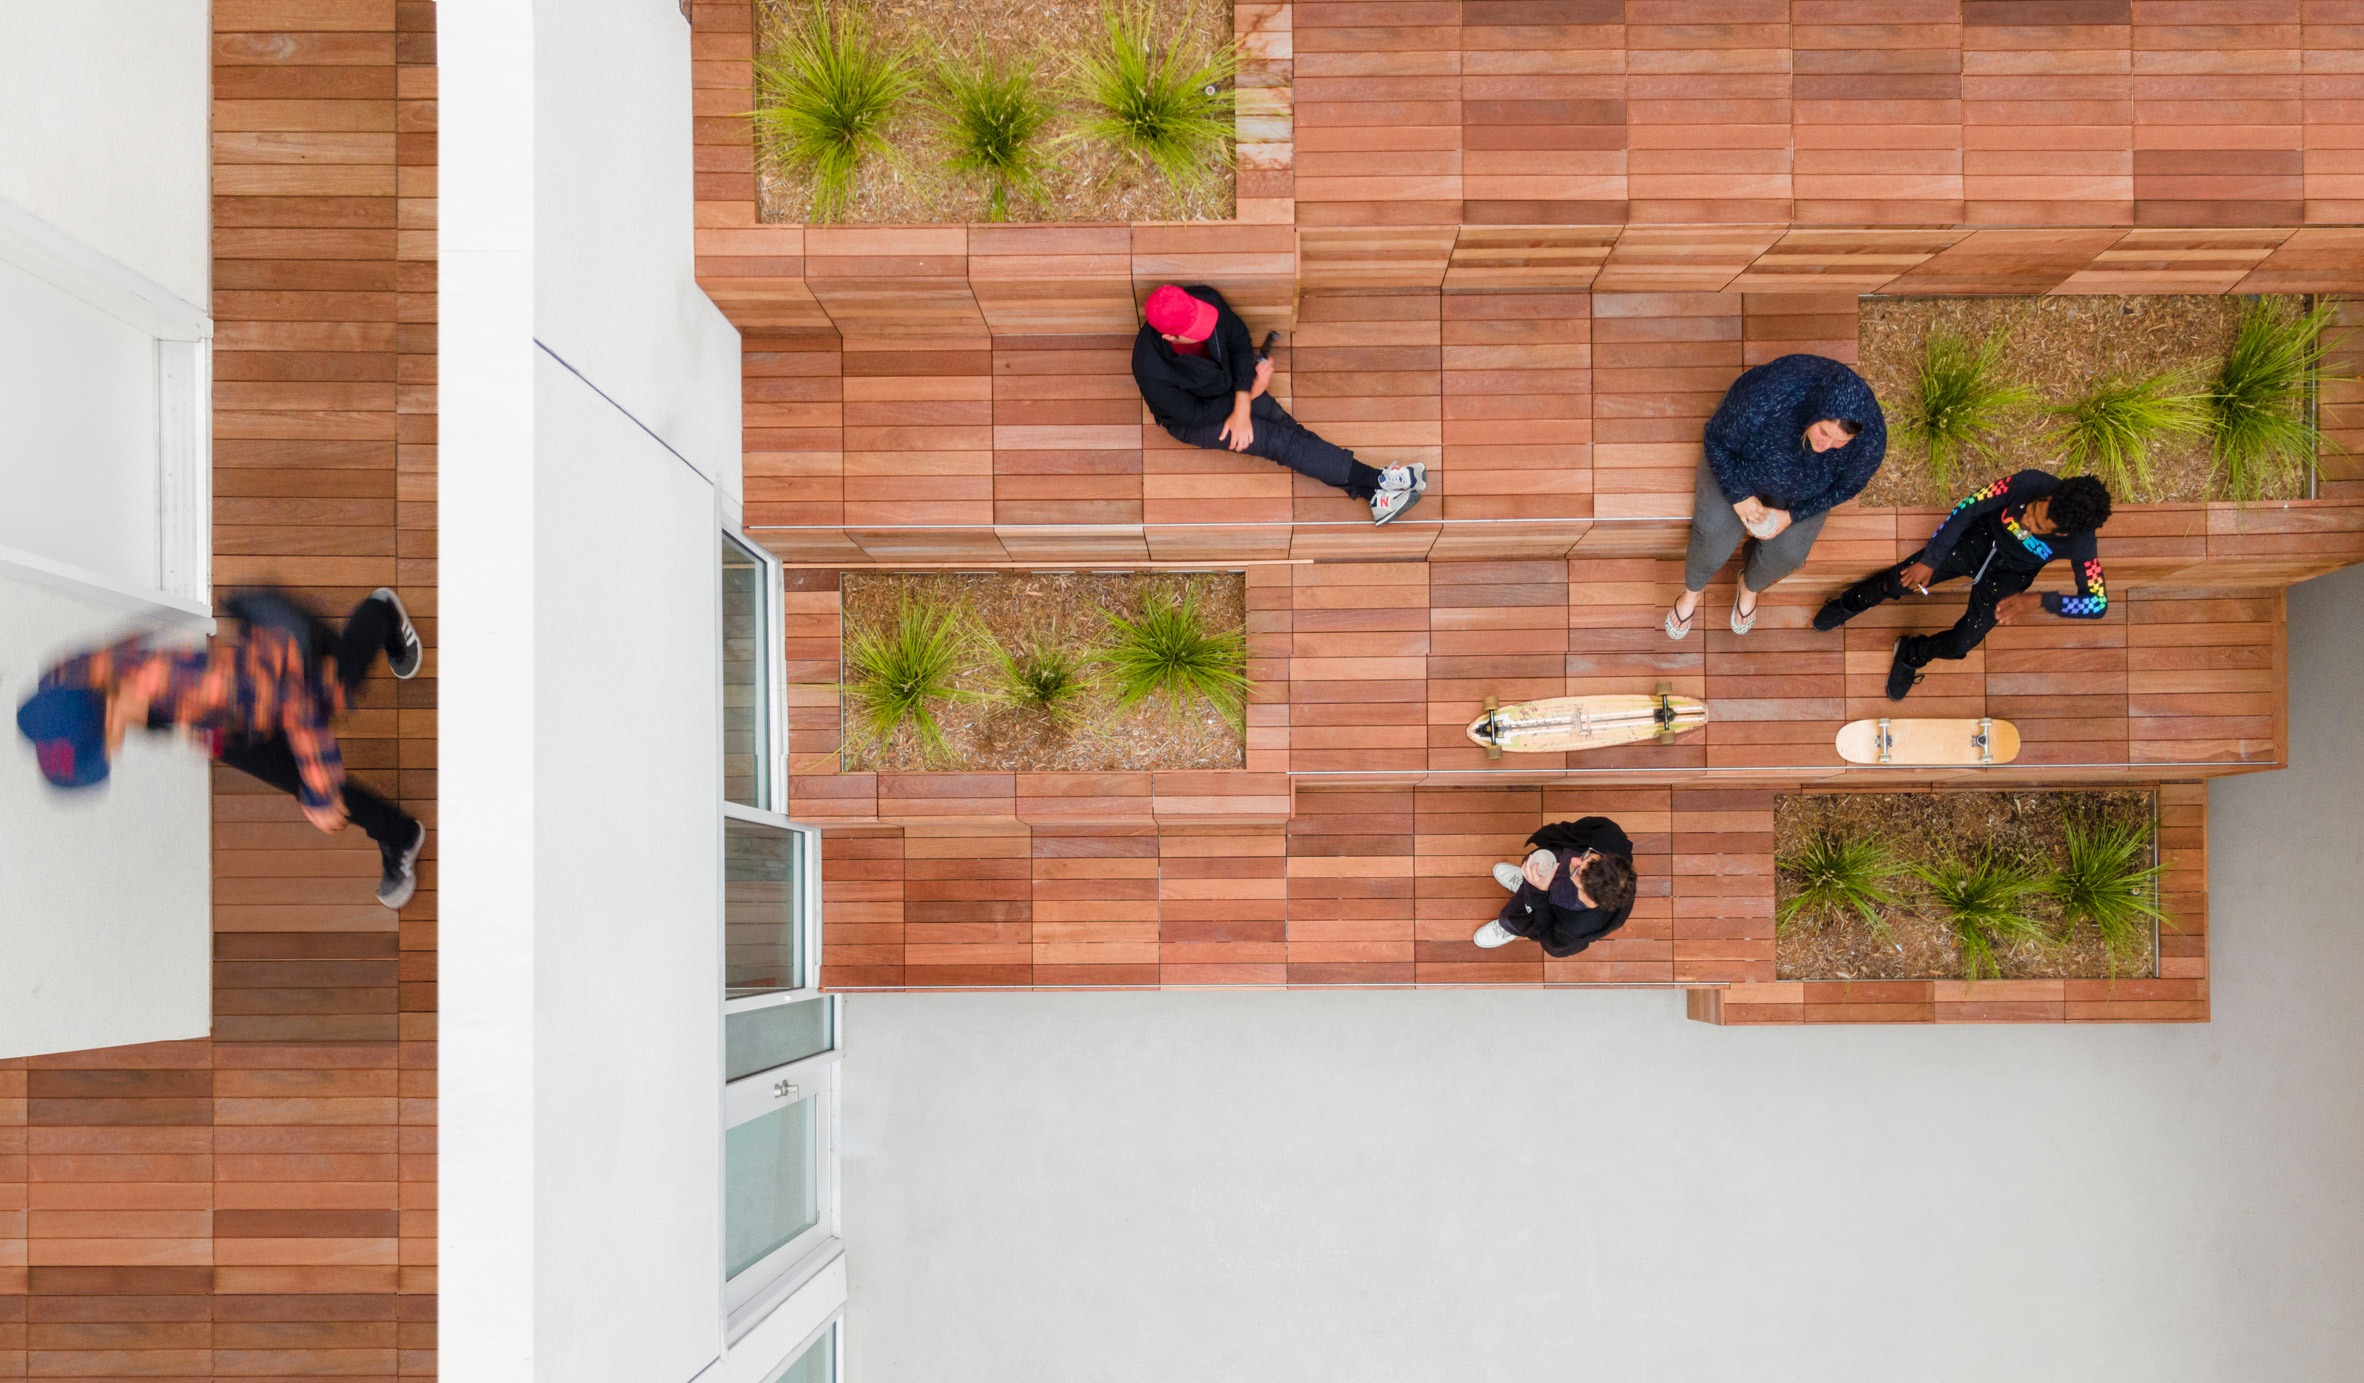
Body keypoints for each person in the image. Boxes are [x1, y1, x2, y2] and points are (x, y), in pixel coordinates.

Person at [15, 587, 430, 908]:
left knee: (338, 688)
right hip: (214, 715)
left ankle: (380, 612)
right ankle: (400, 834)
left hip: (270, 679)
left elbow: (300, 705)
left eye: (99, 748)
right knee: (298, 781)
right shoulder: (63, 679)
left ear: (108, 712)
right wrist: (191, 726)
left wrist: (321, 791)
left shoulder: (193, 684)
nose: (108, 756)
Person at [1131, 282, 1428, 526]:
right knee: (1280, 443)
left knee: (1292, 436)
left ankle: (1374, 495)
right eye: (1197, 330)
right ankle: (1377, 479)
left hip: (1235, 387)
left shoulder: (1204, 299)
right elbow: (1190, 415)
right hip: (1198, 420)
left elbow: (1237, 340)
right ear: (1169, 336)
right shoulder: (1149, 367)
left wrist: (1244, 395)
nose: (1207, 329)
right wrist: (1246, 398)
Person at [1812, 470, 2113, 702]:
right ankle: (1848, 603)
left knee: (1961, 645)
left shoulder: (2081, 544)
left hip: (2010, 576)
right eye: (2032, 510)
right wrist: (1931, 559)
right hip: (1977, 540)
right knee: (1899, 580)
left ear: (2063, 534)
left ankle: (1912, 653)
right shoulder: (2029, 482)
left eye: (2037, 527)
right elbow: (1969, 507)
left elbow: (2097, 605)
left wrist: (2038, 601)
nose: (2026, 522)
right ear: (2049, 495)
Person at [1667, 353, 1887, 640]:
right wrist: (1739, 495)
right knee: (1712, 531)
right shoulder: (1767, 395)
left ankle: (1749, 586)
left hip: (1802, 492)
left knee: (1790, 553)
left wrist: (1793, 516)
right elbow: (1717, 440)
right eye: (1824, 432)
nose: (1826, 445)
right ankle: (1692, 592)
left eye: (1840, 442)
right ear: (1815, 411)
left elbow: (1845, 488)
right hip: (1740, 465)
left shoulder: (1871, 443)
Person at [1472, 816, 1638, 958]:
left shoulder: (1577, 928)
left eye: (1577, 872)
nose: (1574, 860)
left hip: (1543, 902)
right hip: (1545, 868)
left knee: (1513, 917)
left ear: (1588, 896)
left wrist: (1539, 891)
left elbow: (1550, 940)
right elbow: (1573, 828)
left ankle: (1508, 927)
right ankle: (1525, 882)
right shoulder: (1610, 836)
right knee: (1529, 875)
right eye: (1587, 856)